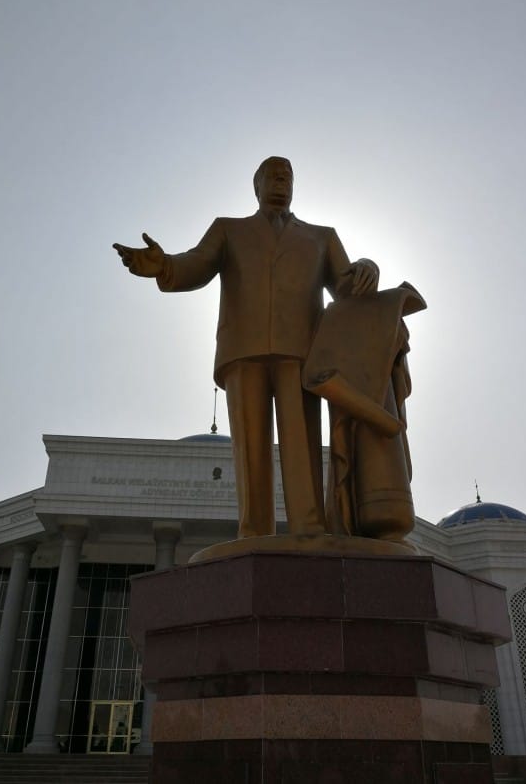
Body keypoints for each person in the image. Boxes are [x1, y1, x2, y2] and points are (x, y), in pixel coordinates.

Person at [113, 156, 378, 538]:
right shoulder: (228, 230)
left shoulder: (322, 237)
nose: (280, 181)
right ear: (256, 186)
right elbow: (197, 263)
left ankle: (309, 530)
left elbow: (349, 288)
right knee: (250, 449)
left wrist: (367, 266)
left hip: (301, 353)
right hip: (242, 350)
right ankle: (254, 533)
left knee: (301, 446)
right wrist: (164, 266)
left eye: (286, 176)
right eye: (271, 176)